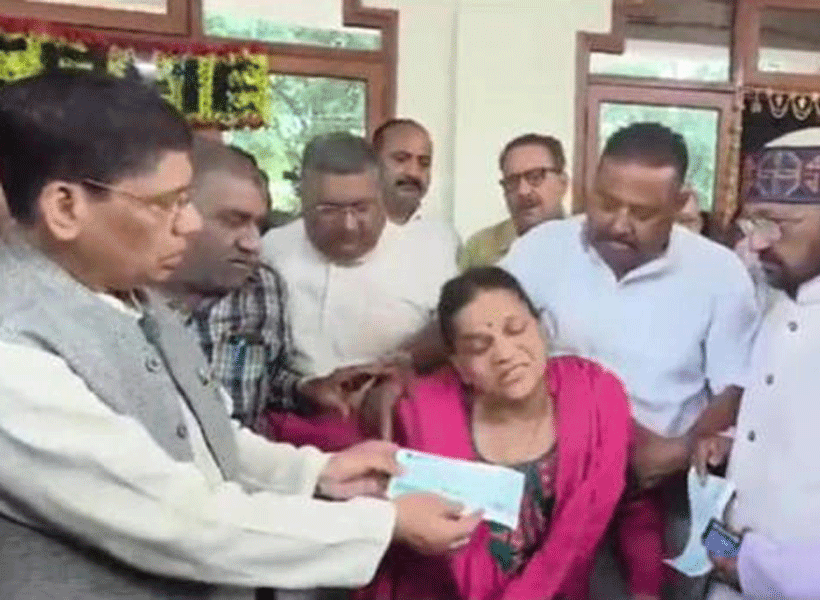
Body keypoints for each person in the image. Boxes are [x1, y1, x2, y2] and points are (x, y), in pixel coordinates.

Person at [0, 70, 480, 600]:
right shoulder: (13, 353)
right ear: (66, 207)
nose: (188, 227)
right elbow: (178, 520)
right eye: (167, 204)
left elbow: (208, 442)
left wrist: (319, 472)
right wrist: (383, 523)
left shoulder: (135, 298)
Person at [499, 122, 759, 600]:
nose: (619, 223)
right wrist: (406, 360)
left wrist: (676, 452)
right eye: (606, 202)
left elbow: (736, 386)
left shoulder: (719, 273)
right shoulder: (542, 249)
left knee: (684, 574)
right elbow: (484, 316)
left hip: (666, 481)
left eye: (641, 212)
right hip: (558, 475)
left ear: (681, 204)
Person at [695, 127, 820, 599]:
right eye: (752, 225)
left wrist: (757, 567)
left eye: (778, 224)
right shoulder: (794, 287)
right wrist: (743, 445)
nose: (758, 245)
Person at [359, 267, 630, 600]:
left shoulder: (596, 396)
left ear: (542, 329)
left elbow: (579, 533)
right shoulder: (422, 413)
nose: (504, 353)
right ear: (459, 366)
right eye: (478, 347)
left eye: (515, 330)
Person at [262, 132, 457, 450]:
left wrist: (404, 362)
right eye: (329, 210)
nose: (349, 225)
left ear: (381, 197)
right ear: (302, 198)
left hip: (397, 430)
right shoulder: (270, 250)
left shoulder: (429, 253)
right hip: (291, 432)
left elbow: (456, 330)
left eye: (362, 208)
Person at [163, 137, 304, 431]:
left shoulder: (264, 287)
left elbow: (270, 380)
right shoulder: (119, 291)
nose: (253, 243)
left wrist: (307, 391)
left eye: (259, 226)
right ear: (178, 212)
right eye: (233, 221)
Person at [458, 133, 569, 269]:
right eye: (512, 181)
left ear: (563, 183)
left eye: (535, 177)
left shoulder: (588, 245)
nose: (523, 191)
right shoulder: (480, 249)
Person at [371, 117, 459, 252]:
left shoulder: (446, 239)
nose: (413, 173)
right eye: (401, 159)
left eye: (424, 163)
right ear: (373, 162)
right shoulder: (346, 233)